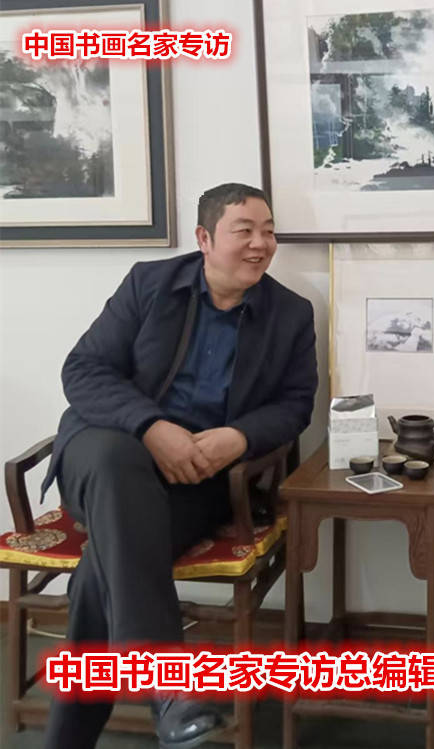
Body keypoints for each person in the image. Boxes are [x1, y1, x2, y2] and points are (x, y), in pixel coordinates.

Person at [40, 183, 318, 748]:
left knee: (101, 569)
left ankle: (74, 738)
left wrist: (237, 438)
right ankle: (167, 684)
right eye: (245, 231)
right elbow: (84, 370)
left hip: (195, 480)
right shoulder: (150, 284)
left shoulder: (290, 313)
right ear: (204, 239)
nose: (261, 244)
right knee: (118, 459)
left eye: (268, 231)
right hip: (106, 453)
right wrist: (150, 426)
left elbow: (295, 404)